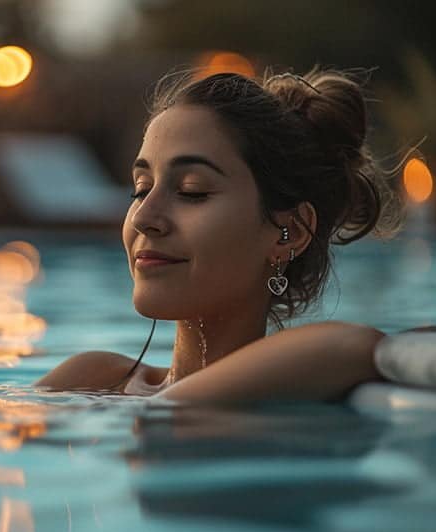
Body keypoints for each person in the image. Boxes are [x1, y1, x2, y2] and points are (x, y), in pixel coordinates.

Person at [35, 67, 406, 404]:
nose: (144, 217)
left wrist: (162, 410)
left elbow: (351, 346)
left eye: (192, 190)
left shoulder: (320, 362)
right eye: (141, 188)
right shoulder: (93, 378)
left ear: (289, 232)